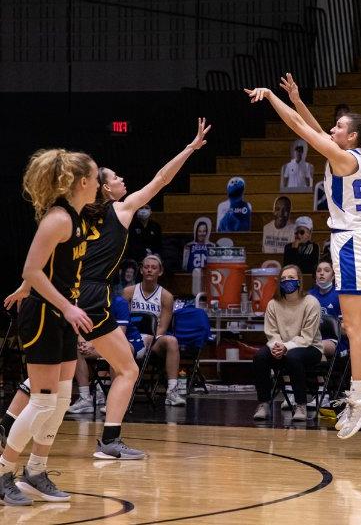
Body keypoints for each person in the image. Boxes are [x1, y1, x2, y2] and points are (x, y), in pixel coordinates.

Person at [4, 119, 211, 465]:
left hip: (65, 292)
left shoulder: (77, 216)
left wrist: (28, 285)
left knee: (48, 377)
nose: (120, 181)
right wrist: (189, 149)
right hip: (88, 297)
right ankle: (108, 440)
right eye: (114, 178)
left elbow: (50, 255)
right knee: (126, 369)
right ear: (101, 188)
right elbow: (161, 180)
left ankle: (9, 425)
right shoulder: (119, 210)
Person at [248, 72, 361, 439]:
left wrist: (272, 98)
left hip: (352, 243)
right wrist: (298, 99)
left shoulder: (345, 159)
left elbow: (302, 130)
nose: (331, 129)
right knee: (354, 325)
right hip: (354, 241)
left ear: (350, 136)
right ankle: (359, 395)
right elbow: (313, 129)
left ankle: (360, 397)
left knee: (353, 326)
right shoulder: (354, 155)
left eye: (338, 126)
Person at [0, 149, 98, 505]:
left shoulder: (78, 216)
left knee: (61, 401)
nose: (100, 182)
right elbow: (31, 268)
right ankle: (2, 471)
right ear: (83, 182)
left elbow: (49, 266)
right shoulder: (58, 218)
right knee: (42, 402)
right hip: (45, 315)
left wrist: (36, 289)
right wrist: (66, 306)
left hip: (61, 314)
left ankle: (36, 470)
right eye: (97, 177)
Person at [252, 264, 323, 422]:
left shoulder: (311, 302)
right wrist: (277, 346)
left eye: (291, 278)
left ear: (299, 281)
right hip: (281, 347)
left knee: (293, 357)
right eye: (283, 279)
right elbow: (271, 332)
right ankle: (264, 403)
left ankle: (300, 405)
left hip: (310, 347)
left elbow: (307, 336)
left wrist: (286, 347)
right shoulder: (273, 304)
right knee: (260, 357)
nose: (287, 281)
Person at [122, 255, 186, 406]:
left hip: (153, 339)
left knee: (172, 341)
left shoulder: (166, 296)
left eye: (153, 268)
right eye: (146, 267)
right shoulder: (129, 292)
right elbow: (122, 322)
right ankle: (103, 391)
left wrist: (150, 338)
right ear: (141, 270)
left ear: (160, 272)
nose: (149, 270)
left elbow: (162, 327)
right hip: (130, 337)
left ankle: (171, 391)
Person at [308, 260, 342, 357]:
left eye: (327, 270)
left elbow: (344, 328)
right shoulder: (309, 295)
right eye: (318, 271)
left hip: (334, 340)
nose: (322, 273)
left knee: (311, 346)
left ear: (333, 276)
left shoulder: (339, 296)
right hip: (311, 338)